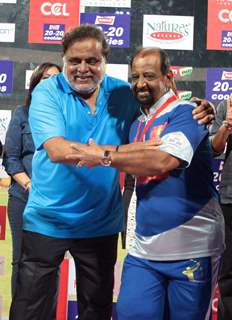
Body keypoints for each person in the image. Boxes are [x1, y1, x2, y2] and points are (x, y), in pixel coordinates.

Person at [9, 24, 216, 320]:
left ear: (104, 61)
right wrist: (101, 154)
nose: (83, 68)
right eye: (74, 61)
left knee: (97, 310)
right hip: (47, 220)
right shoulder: (47, 91)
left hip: (100, 222)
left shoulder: (123, 91)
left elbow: (159, 108)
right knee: (30, 309)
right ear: (64, 59)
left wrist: (195, 106)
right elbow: (56, 150)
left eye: (92, 61)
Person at [66, 47, 225, 320]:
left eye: (149, 76)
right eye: (135, 76)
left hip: (192, 247)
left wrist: (101, 155)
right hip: (145, 250)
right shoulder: (138, 123)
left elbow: (162, 161)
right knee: (131, 313)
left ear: (168, 77)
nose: (140, 83)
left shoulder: (189, 112)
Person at [3, 62, 61, 297]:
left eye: (56, 78)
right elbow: (11, 159)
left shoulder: (65, 118)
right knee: (21, 261)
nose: (51, 82)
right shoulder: (21, 114)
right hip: (23, 199)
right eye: (46, 77)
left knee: (50, 264)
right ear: (35, 83)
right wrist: (29, 184)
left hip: (56, 203)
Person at [210, 96, 232, 320]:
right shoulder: (227, 105)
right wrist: (226, 126)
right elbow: (214, 149)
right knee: (227, 278)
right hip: (229, 199)